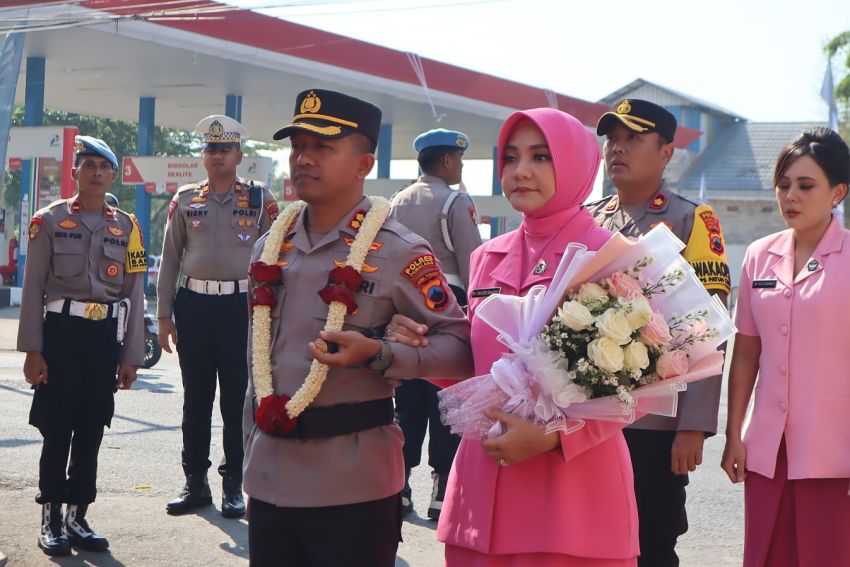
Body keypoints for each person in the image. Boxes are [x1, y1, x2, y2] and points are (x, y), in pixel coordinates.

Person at [389, 108, 639, 565]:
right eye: (510, 157)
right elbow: (478, 367)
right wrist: (418, 347)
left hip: (573, 499)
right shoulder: (487, 256)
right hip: (484, 491)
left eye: (541, 157)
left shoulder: (609, 254)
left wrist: (554, 437)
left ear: (575, 166)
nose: (521, 171)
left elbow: (641, 383)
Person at [242, 88, 472, 567]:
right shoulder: (269, 246)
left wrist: (381, 355)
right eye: (297, 146)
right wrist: (250, 448)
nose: (303, 158)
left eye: (322, 147)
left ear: (364, 163)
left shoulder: (398, 250)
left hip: (352, 484)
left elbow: (461, 348)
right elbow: (259, 360)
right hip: (270, 478)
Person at [587, 99, 730, 567]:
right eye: (612, 139)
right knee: (588, 540)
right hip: (588, 417)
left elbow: (710, 329)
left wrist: (692, 426)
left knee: (651, 543)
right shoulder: (588, 218)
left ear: (667, 152)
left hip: (654, 422)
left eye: (633, 139)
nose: (617, 149)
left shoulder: (692, 220)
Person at [721, 127, 850, 566]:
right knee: (765, 556)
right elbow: (747, 352)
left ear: (838, 192)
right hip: (768, 451)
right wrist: (733, 433)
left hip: (836, 454)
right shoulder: (758, 254)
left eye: (805, 185)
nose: (790, 195)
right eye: (783, 184)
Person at [17, 135, 146, 556]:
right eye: (87, 165)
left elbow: (135, 292)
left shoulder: (127, 226)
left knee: (92, 426)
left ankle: (78, 515)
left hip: (102, 338)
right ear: (74, 172)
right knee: (57, 427)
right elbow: (33, 286)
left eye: (102, 167)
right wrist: (33, 350)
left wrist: (130, 355)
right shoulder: (48, 220)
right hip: (60, 334)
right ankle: (51, 516)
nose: (94, 173)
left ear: (112, 175)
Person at [157, 114, 279, 519]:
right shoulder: (186, 198)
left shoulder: (260, 198)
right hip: (193, 306)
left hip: (240, 309)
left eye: (224, 148)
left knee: (235, 401)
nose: (217, 155)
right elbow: (170, 258)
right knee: (196, 399)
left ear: (239, 154)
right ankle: (195, 483)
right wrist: (163, 315)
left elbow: (279, 257)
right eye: (210, 149)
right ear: (203, 156)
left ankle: (233, 486)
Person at [389, 127, 483, 519]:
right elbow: (474, 262)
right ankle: (442, 486)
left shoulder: (396, 201)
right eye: (458, 159)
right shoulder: (455, 201)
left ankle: (401, 483)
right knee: (447, 397)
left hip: (403, 310)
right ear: (446, 161)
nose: (460, 165)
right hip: (450, 304)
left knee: (406, 399)